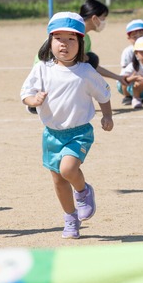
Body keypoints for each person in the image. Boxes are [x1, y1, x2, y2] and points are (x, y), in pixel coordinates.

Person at [20, 12, 113, 240]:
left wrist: (107, 116)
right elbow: (26, 94)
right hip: (52, 134)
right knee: (58, 181)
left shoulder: (86, 72)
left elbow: (104, 94)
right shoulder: (42, 68)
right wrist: (34, 101)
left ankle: (83, 191)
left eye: (71, 39)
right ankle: (70, 218)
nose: (64, 44)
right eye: (59, 38)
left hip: (79, 133)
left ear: (81, 43)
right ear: (50, 42)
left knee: (68, 169)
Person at [119, 19, 143, 106]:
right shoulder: (128, 51)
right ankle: (128, 96)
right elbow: (124, 71)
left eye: (141, 36)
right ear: (129, 38)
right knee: (125, 80)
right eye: (135, 37)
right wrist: (133, 77)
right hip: (131, 77)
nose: (139, 39)